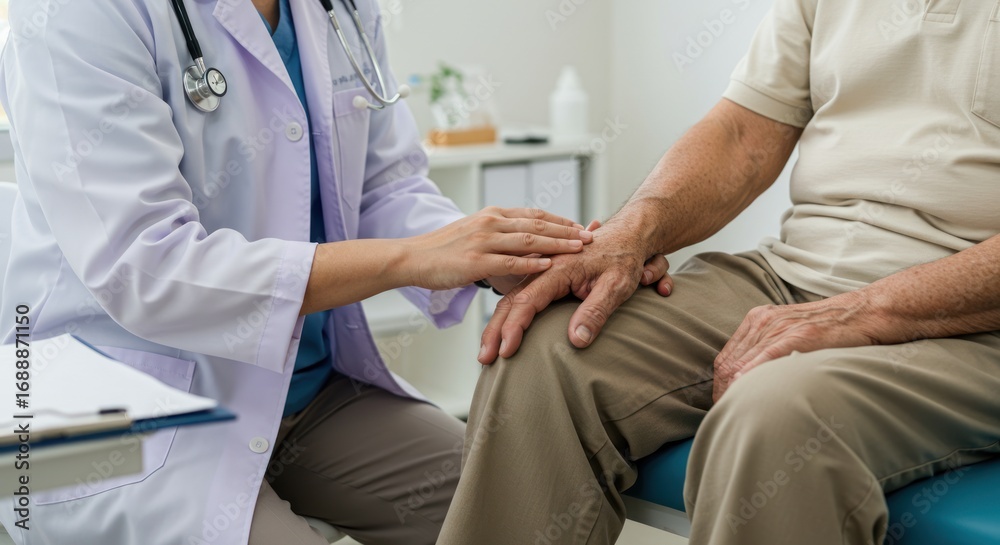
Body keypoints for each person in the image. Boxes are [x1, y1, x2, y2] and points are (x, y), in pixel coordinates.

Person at [0, 1, 660, 544]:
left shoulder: (334, 7)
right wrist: (414, 257)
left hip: (303, 392)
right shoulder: (70, 13)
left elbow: (384, 188)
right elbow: (147, 265)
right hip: (117, 402)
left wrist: (523, 257)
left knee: (536, 516)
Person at [439, 0, 1000, 543]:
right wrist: (628, 236)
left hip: (969, 324)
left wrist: (865, 311)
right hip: (791, 275)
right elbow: (743, 135)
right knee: (547, 348)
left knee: (775, 417)